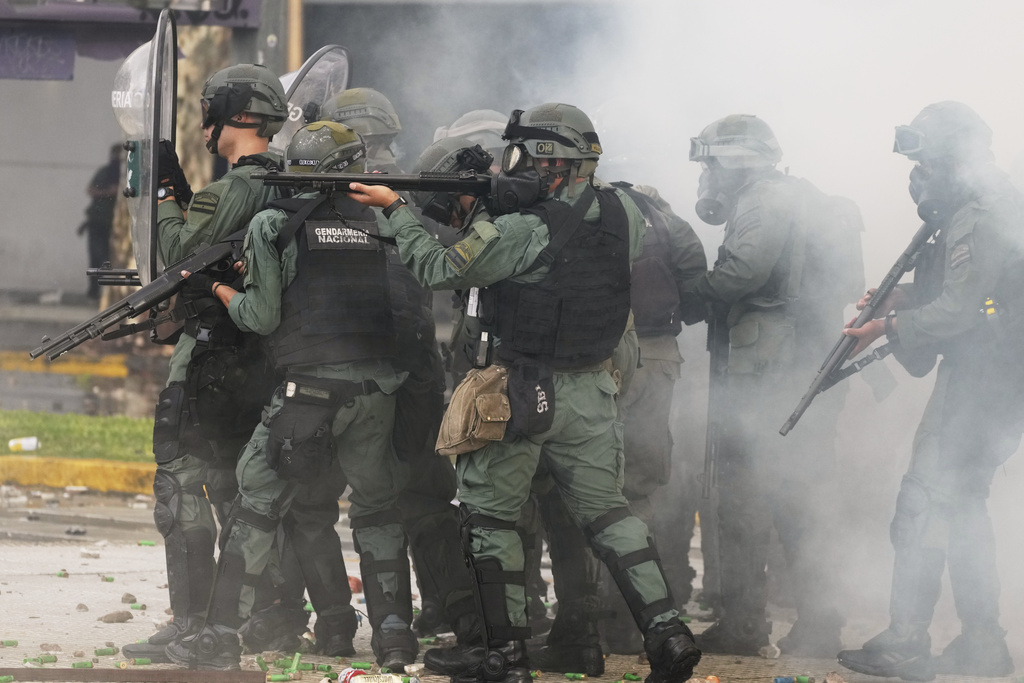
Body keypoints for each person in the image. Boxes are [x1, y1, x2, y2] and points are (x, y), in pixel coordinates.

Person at [349, 103, 701, 683]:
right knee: (609, 515)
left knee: (491, 520)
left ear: (549, 163)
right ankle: (667, 632)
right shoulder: (626, 211)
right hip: (592, 390)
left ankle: (504, 654)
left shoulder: (522, 230)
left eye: (519, 157)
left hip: (521, 391)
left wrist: (395, 211)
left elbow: (438, 267)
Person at [165, 121, 418, 671]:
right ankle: (396, 638)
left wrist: (217, 287)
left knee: (256, 503)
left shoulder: (274, 223)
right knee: (376, 511)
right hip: (377, 393)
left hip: (309, 395)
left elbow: (261, 316)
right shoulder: (383, 222)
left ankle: (221, 636)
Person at [838, 101, 1024, 681]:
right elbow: (980, 292)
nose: (916, 177)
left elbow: (962, 310)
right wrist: (904, 298)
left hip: (982, 379)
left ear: (949, 159)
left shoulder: (977, 211)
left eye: (924, 163)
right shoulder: (994, 200)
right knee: (963, 507)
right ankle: (983, 643)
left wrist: (888, 326)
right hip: (998, 375)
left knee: (923, 501)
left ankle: (908, 643)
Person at [122, 63, 288, 664]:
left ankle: (194, 626)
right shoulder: (287, 183)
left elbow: (178, 257)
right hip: (261, 361)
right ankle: (251, 620)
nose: (204, 124)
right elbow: (218, 245)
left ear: (233, 116)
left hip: (211, 359)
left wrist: (164, 193)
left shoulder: (235, 188)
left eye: (209, 111)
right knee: (237, 492)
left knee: (183, 488)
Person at [685, 114, 862, 656]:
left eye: (711, 162)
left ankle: (745, 625)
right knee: (798, 496)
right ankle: (816, 623)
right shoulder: (802, 196)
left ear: (734, 160)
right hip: (802, 367)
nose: (708, 176)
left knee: (745, 497)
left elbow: (743, 272)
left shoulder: (764, 198)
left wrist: (689, 294)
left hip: (768, 374)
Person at [322, 88, 483, 647]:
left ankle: (375, 623)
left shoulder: (330, 189)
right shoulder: (419, 187)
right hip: (416, 363)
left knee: (345, 498)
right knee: (426, 494)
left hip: (351, 363)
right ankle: (458, 613)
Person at [595, 179, 707, 654]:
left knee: (594, 490)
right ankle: (641, 619)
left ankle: (600, 620)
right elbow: (698, 286)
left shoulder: (582, 205)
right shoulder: (660, 214)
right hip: (660, 356)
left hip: (600, 358)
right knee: (641, 489)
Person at [78, 144, 122, 299]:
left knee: (109, 258)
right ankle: (94, 291)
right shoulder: (104, 172)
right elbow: (91, 190)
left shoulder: (124, 175)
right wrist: (107, 193)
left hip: (115, 225)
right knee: (96, 257)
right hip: (97, 222)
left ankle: (108, 292)